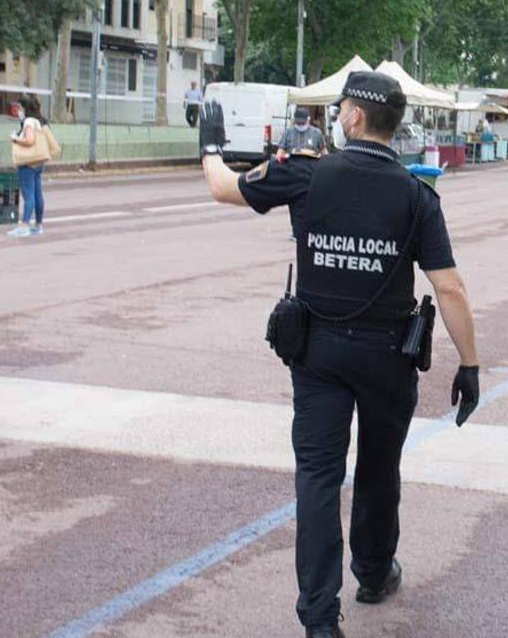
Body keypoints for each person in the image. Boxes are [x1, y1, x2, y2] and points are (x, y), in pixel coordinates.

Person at [198, 70, 481, 638]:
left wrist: (209, 143)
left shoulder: (305, 174)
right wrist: (470, 366)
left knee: (319, 478)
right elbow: (449, 287)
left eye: (341, 106)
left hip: (319, 353)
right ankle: (374, 572)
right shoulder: (416, 194)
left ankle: (321, 618)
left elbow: (223, 187)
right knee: (380, 467)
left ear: (353, 117)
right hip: (386, 356)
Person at [8, 95, 50, 237]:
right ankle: (38, 225)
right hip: (38, 162)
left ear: (25, 108)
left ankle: (24, 225)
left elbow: (30, 140)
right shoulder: (39, 120)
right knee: (38, 194)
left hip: (28, 162)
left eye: (19, 108)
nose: (18, 111)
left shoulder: (29, 122)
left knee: (28, 194)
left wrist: (15, 139)